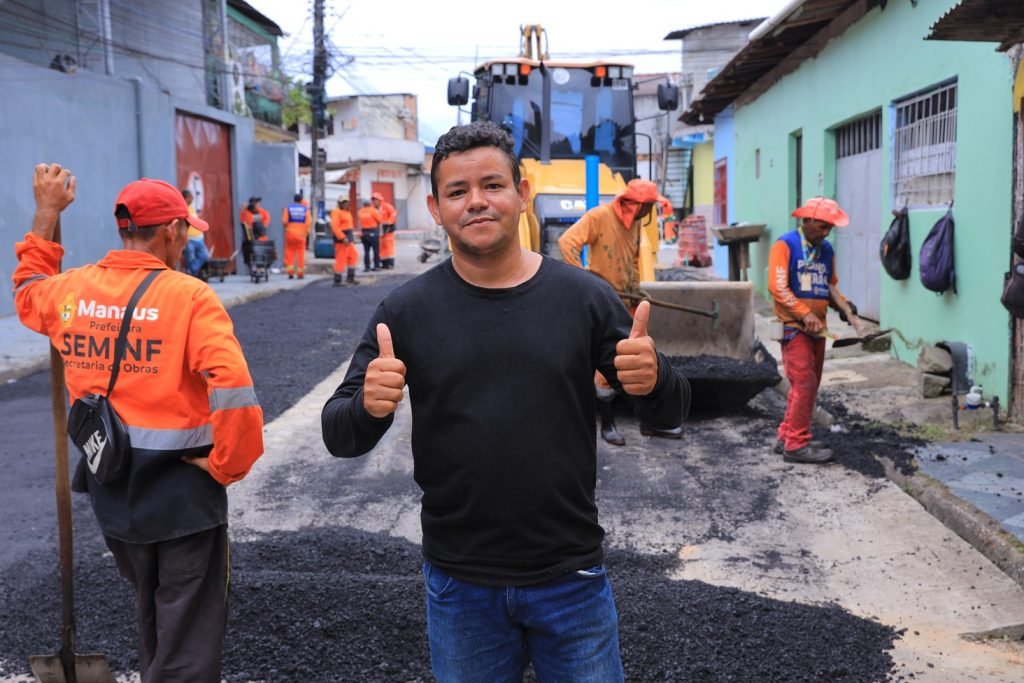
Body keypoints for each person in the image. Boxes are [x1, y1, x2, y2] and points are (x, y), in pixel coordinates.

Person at [321, 121, 687, 681]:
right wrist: (369, 407)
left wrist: (655, 379)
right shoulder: (406, 312)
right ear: (436, 209)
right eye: (457, 191)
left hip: (571, 579)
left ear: (522, 194)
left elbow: (672, 411)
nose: (476, 201)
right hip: (460, 585)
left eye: (492, 185)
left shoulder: (584, 299)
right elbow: (338, 434)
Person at [13, 165, 265, 681]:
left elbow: (28, 289)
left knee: (152, 611)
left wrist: (45, 214)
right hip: (183, 498)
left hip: (114, 495)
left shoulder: (72, 291)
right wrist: (228, 466)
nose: (185, 241)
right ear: (171, 231)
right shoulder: (190, 297)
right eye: (185, 230)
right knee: (187, 637)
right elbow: (234, 388)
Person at [558, 178, 681, 445]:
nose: (649, 212)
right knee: (609, 367)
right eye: (648, 206)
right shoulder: (599, 217)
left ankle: (650, 421)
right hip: (604, 304)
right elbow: (567, 243)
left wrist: (636, 288)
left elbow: (633, 261)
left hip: (626, 301)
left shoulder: (635, 223)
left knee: (640, 361)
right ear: (634, 203)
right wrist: (586, 282)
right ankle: (607, 425)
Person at [768, 196, 864, 464]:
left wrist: (845, 307)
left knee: (807, 385)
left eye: (830, 228)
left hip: (818, 330)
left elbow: (829, 285)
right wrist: (804, 313)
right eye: (822, 227)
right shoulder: (785, 245)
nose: (826, 233)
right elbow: (777, 288)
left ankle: (787, 436)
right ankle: (796, 445)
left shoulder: (826, 250)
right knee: (805, 383)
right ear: (807, 220)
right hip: (793, 328)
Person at [282, 192, 312, 279]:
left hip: (290, 234)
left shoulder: (288, 208)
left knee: (289, 252)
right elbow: (308, 222)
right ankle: (300, 273)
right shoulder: (305, 209)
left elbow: (284, 221)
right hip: (301, 235)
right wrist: (305, 232)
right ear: (301, 200)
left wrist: (289, 227)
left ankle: (290, 272)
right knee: (300, 254)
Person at [181, 188, 210, 278]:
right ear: (185, 198)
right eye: (190, 197)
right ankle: (191, 273)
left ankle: (191, 271)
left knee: (205, 255)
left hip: (199, 238)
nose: (192, 200)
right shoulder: (182, 209)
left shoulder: (192, 209)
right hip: (189, 239)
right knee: (190, 256)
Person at [330, 197, 359, 286]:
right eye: (343, 202)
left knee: (353, 256)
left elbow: (348, 226)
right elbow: (335, 227)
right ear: (339, 204)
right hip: (342, 240)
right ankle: (337, 279)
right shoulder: (336, 212)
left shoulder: (347, 212)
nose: (345, 204)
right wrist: (342, 238)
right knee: (341, 259)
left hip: (348, 239)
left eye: (346, 202)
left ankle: (350, 277)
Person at [240, 196, 269, 271]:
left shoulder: (261, 211)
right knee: (252, 252)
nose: (258, 204)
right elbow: (244, 222)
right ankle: (255, 267)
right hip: (251, 237)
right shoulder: (246, 212)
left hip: (261, 236)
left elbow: (266, 219)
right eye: (257, 203)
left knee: (261, 252)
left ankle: (261, 267)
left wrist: (263, 226)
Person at [372, 191, 399, 269]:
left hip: (388, 230)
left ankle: (390, 263)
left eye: (376, 199)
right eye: (373, 200)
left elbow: (394, 214)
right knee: (381, 247)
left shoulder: (387, 206)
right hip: (379, 231)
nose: (374, 201)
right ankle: (384, 263)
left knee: (389, 247)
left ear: (380, 200)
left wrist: (388, 223)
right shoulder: (373, 209)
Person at [357, 198, 382, 271]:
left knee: (366, 251)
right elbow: (380, 220)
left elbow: (360, 221)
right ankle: (377, 266)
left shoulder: (360, 211)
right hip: (373, 232)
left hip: (364, 233)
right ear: (370, 203)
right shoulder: (373, 211)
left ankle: (367, 267)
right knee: (376, 250)